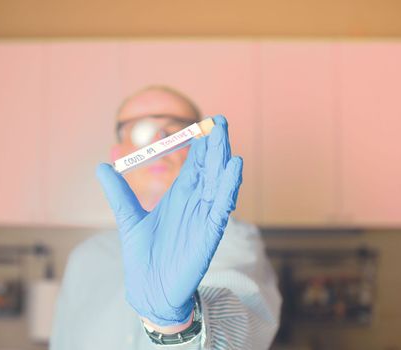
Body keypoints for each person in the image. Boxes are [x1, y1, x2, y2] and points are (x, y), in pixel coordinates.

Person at [51, 86, 281, 349]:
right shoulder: (86, 257)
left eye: (176, 129)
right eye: (140, 129)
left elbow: (244, 323)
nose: (159, 140)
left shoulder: (232, 239)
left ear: (199, 146)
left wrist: (177, 326)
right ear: (117, 154)